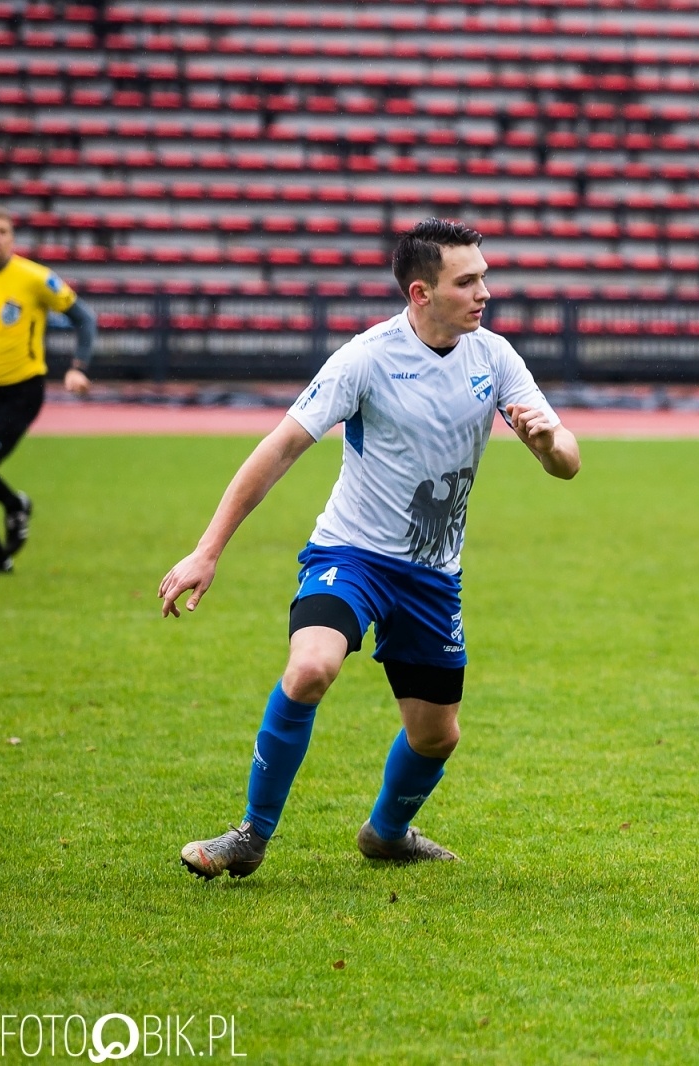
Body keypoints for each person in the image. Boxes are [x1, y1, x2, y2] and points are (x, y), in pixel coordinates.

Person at [163, 219, 580, 879]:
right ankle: (250, 835)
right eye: (468, 281)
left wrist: (546, 444)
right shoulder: (365, 358)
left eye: (485, 277)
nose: (485, 293)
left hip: (431, 576)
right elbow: (277, 450)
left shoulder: (494, 357)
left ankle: (386, 834)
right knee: (310, 670)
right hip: (351, 555)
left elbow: (569, 463)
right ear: (421, 292)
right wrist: (206, 551)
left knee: (436, 735)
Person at [0, 205, 98, 572]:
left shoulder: (34, 278)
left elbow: (84, 318)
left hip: (20, 391)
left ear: (12, 239)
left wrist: (77, 368)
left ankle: (10, 514)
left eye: (2, 232)